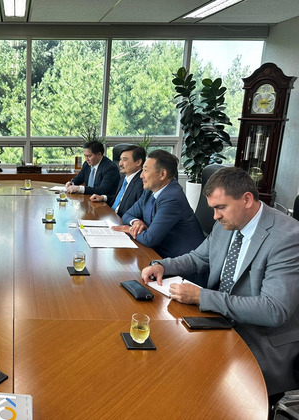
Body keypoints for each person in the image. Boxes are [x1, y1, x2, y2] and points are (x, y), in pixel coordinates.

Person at [141, 167, 299, 399]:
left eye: (220, 207)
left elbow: (273, 310)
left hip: (260, 339)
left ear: (246, 199)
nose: (215, 216)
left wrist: (202, 297)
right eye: (213, 208)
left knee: (197, 384)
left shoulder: (287, 238)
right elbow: (198, 258)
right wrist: (163, 266)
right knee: (164, 357)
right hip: (219, 322)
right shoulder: (227, 225)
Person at [113, 149, 204, 259]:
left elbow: (149, 239)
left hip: (180, 261)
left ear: (162, 174)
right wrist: (136, 222)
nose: (141, 175)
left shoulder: (172, 198)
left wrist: (129, 229)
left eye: (145, 171)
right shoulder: (149, 191)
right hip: (157, 253)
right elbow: (127, 215)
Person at [90, 145, 145, 217]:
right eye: (120, 159)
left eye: (125, 159)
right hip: (111, 215)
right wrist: (103, 198)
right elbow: (119, 199)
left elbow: (138, 212)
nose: (120, 163)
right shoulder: (124, 178)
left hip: (122, 221)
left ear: (138, 162)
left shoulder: (142, 183)